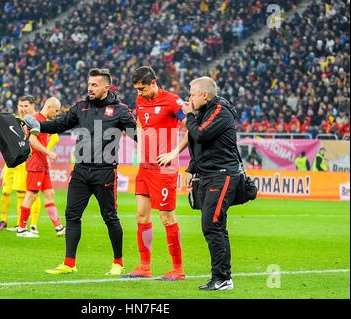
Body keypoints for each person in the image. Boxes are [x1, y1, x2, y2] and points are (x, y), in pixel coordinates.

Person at [24, 68, 137, 276]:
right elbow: (60, 124)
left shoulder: (120, 110)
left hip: (105, 172)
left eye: (94, 85)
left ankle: (118, 262)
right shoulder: (80, 107)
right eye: (89, 84)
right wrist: (38, 125)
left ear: (106, 87)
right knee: (72, 215)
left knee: (110, 217)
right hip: (81, 171)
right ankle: (69, 263)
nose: (90, 88)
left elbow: (137, 134)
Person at [123, 66, 188, 281]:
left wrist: (174, 152)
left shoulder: (172, 101)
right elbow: (141, 125)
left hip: (164, 169)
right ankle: (144, 266)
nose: (139, 93)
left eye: (142, 88)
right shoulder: (141, 101)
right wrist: (141, 147)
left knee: (166, 217)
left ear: (153, 82)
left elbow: (192, 128)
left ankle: (177, 269)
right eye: (136, 90)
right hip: (145, 167)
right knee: (141, 214)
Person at [183, 76, 240, 291]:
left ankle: (223, 278)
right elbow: (201, 146)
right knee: (215, 226)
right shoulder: (206, 112)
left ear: (205, 95)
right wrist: (191, 169)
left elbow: (201, 135)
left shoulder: (220, 111)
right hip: (209, 175)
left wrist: (189, 116)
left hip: (222, 175)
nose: (189, 98)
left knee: (212, 225)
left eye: (192, 94)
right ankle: (221, 277)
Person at [16, 96, 65, 238]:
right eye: (55, 110)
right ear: (48, 107)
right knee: (31, 195)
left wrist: (46, 157)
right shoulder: (35, 119)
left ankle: (58, 227)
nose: (56, 113)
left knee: (50, 194)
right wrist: (48, 152)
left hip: (42, 163)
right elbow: (32, 140)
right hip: (35, 163)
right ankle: (21, 228)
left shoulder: (44, 121)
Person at [0, 98, 42, 232]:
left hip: (24, 163)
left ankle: (22, 224)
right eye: (20, 106)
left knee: (22, 193)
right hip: (10, 162)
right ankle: (3, 220)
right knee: (5, 192)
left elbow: (53, 137)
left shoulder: (35, 120)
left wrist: (37, 152)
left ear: (31, 106)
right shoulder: (12, 120)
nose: (22, 108)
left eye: (25, 106)